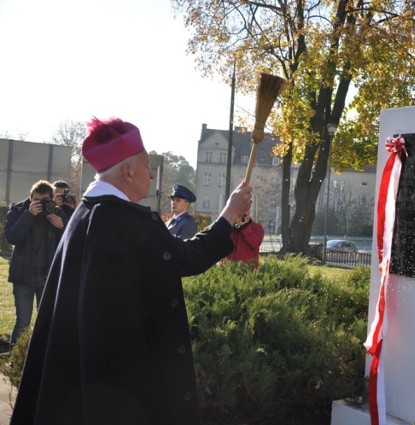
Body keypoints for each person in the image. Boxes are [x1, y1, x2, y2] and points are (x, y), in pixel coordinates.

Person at [11, 117, 252, 425]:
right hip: (118, 386)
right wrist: (230, 213)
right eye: (146, 165)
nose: (151, 175)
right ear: (127, 170)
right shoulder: (126, 222)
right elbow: (186, 258)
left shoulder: (83, 213)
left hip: (82, 379)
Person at [4, 180, 67, 346]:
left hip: (47, 277)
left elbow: (71, 241)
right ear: (30, 197)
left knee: (46, 322)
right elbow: (12, 237)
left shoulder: (56, 213)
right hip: (24, 277)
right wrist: (29, 215)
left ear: (51, 199)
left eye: (44, 201)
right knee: (23, 322)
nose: (39, 204)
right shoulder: (18, 210)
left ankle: (39, 362)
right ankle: (15, 362)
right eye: (36, 200)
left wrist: (61, 227)